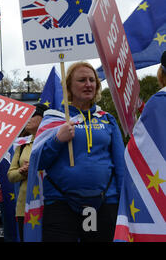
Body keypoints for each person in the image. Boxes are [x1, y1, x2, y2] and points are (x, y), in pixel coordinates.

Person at [37, 61, 125, 242]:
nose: (88, 84)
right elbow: (39, 162)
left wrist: (124, 204)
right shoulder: (53, 119)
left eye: (92, 80)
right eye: (82, 80)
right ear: (69, 86)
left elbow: (121, 166)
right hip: (61, 204)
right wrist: (57, 140)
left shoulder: (107, 119)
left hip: (104, 204)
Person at [7, 103, 48, 242]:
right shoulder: (22, 144)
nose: (27, 119)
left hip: (47, 204)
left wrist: (37, 167)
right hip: (24, 207)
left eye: (32, 115)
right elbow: (11, 176)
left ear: (43, 118)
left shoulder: (52, 141)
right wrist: (22, 171)